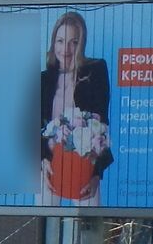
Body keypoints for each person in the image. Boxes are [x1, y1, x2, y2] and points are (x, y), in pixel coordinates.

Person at [38, 11, 113, 204]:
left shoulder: (95, 70)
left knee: (87, 224)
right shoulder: (43, 80)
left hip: (85, 166)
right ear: (53, 43)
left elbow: (102, 123)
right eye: (61, 41)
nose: (66, 49)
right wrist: (42, 160)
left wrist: (96, 175)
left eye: (74, 41)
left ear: (82, 43)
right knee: (45, 222)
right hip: (50, 166)